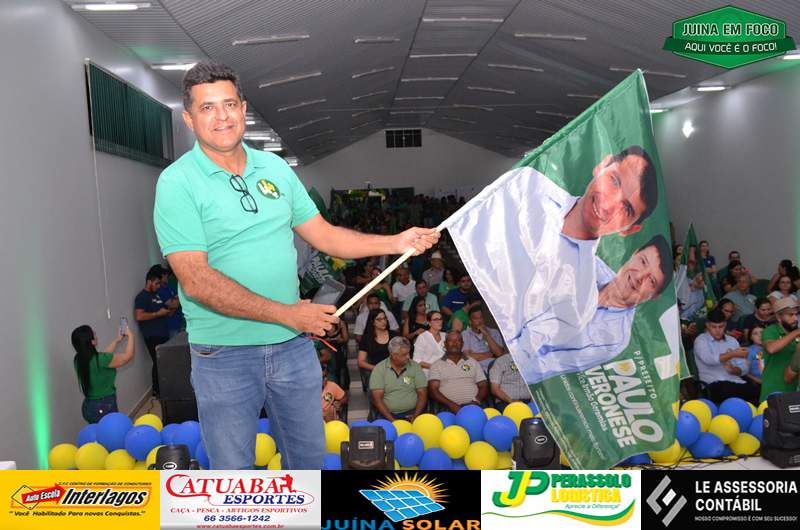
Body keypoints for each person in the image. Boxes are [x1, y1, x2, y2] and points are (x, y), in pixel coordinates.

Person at [154, 61, 438, 470]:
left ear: (243, 108)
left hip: (291, 348)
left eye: (229, 104)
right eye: (207, 107)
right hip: (224, 355)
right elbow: (195, 279)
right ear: (188, 118)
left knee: (308, 467)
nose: (222, 117)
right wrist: (287, 314)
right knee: (233, 474)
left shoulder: (274, 169)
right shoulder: (177, 182)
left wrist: (396, 242)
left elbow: (324, 234)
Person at [449, 147, 659, 368]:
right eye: (614, 181)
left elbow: (524, 349)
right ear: (602, 166)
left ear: (629, 229)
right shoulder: (530, 187)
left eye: (626, 208)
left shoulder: (581, 300)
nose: (607, 205)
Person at [516, 235, 673, 384]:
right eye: (643, 262)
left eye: (651, 281)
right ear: (634, 253)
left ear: (654, 296)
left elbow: (544, 365)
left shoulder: (614, 338)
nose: (639, 277)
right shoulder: (590, 265)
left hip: (516, 365)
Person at [71, 322, 134, 423]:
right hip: (104, 407)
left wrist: (117, 340)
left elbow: (103, 357)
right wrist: (131, 335)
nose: (96, 335)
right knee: (111, 432)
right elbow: (128, 356)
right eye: (94, 334)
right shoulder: (101, 360)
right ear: (92, 341)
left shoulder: (78, 360)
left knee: (98, 431)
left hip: (88, 407)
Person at [693, 309, 759, 405]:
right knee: (730, 388)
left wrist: (734, 370)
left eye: (721, 326)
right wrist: (732, 354)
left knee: (758, 391)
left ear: (725, 325)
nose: (717, 330)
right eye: (714, 327)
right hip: (712, 384)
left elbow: (744, 367)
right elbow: (709, 359)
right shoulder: (701, 340)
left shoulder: (732, 341)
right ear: (707, 325)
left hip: (736, 382)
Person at [134, 266, 173, 397]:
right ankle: (157, 391)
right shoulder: (142, 297)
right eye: (156, 283)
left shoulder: (156, 295)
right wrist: (157, 314)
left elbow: (164, 311)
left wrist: (166, 311)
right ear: (149, 281)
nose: (158, 286)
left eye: (159, 284)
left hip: (163, 333)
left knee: (165, 363)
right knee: (158, 363)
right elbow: (139, 316)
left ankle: (166, 388)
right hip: (152, 336)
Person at [369, 337, 427, 422]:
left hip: (412, 413)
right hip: (386, 415)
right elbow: (377, 399)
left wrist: (415, 416)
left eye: (409, 353)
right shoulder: (379, 369)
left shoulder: (415, 367)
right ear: (394, 355)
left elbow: (422, 393)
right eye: (404, 355)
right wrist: (392, 420)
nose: (408, 357)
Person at [428, 331, 488, 413]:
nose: (454, 343)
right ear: (445, 344)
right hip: (448, 409)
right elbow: (433, 390)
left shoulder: (473, 362)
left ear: (462, 344)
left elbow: (483, 385)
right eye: (451, 341)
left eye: (458, 340)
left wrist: (476, 401)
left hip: (474, 407)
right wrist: (452, 405)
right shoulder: (436, 365)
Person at [760, 297, 800, 401]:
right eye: (790, 315)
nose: (795, 318)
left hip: (794, 392)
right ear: (778, 317)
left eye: (796, 314)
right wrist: (795, 333)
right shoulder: (770, 331)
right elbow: (771, 348)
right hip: (772, 391)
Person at [357, 309, 399, 391]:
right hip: (376, 372)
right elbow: (361, 362)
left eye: (384, 318)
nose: (383, 322)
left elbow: (403, 355)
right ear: (372, 322)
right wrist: (378, 369)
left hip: (395, 371)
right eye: (379, 320)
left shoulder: (394, 336)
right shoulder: (366, 339)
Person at [461, 306, 505, 371]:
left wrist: (486, 334)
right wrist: (492, 354)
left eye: (481, 317)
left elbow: (499, 353)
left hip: (496, 367)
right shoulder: (465, 334)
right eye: (476, 318)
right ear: (470, 321)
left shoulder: (494, 332)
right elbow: (467, 356)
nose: (479, 321)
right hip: (476, 369)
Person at [413, 311, 446, 378]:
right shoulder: (422, 337)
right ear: (429, 322)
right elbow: (417, 361)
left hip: (444, 373)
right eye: (435, 319)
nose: (439, 322)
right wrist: (435, 367)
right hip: (427, 374)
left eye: (440, 319)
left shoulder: (445, 335)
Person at [156, 265, 184, 338]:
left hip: (179, 322)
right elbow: (175, 304)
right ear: (162, 276)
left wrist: (176, 301)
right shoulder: (160, 290)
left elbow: (178, 300)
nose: (167, 277)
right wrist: (178, 300)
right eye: (166, 275)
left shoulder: (168, 286)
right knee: (174, 344)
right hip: (171, 325)